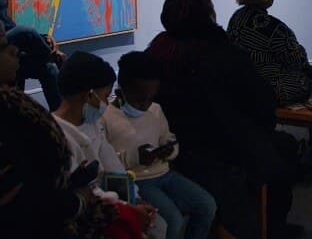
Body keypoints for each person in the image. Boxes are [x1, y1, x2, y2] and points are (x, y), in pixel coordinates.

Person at [147, 0, 302, 239]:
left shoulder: (155, 52)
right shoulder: (224, 54)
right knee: (283, 151)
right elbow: (262, 104)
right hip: (221, 149)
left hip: (170, 147)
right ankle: (272, 228)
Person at [0, 23, 114, 239]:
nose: (14, 51)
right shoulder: (11, 116)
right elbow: (29, 196)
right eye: (3, 47)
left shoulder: (15, 108)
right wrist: (78, 201)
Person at [52, 51, 167, 239]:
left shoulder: (91, 124)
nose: (107, 102)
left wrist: (134, 198)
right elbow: (84, 192)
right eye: (105, 95)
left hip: (112, 204)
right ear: (89, 95)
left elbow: (113, 165)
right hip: (90, 218)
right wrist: (126, 210)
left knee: (158, 225)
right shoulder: (58, 137)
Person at [227, 0, 312, 150]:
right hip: (271, 89)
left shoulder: (236, 18)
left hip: (244, 83)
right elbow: (298, 60)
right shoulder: (272, 27)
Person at [103, 51, 216, 239]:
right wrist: (134, 158)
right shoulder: (106, 117)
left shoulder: (155, 110)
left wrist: (169, 150)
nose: (145, 105)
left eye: (150, 98)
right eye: (140, 99)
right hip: (137, 180)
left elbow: (168, 137)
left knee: (206, 204)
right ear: (121, 90)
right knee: (173, 220)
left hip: (165, 174)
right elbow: (106, 162)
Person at [0, 0, 64, 110]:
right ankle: (56, 58)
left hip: (14, 57)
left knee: (49, 68)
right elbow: (18, 34)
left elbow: (10, 29)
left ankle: (61, 119)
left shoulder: (1, 7)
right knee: (25, 32)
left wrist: (45, 38)